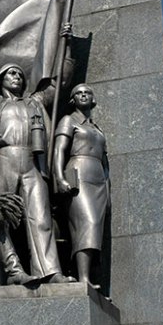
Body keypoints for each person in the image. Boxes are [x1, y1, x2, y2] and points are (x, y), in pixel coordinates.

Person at [0, 65, 75, 285]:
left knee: (40, 217)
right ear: (1, 80)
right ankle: (11, 271)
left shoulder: (33, 103)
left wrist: (67, 49)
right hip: (2, 162)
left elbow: (58, 85)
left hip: (32, 162)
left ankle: (50, 271)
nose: (17, 77)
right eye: (11, 73)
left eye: (20, 74)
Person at [53, 84, 110, 286]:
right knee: (87, 223)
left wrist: (108, 190)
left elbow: (105, 163)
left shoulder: (97, 128)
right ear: (72, 99)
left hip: (98, 180)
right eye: (79, 93)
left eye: (87, 92)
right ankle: (83, 278)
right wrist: (59, 177)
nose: (83, 95)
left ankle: (88, 276)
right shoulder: (68, 120)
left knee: (96, 229)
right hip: (78, 174)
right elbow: (59, 150)